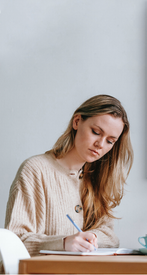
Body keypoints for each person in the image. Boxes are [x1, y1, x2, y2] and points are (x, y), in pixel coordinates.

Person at [5, 95, 134, 256]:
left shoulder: (98, 177)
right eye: (96, 132)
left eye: (110, 141)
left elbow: (110, 236)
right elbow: (14, 241)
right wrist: (64, 242)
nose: (100, 145)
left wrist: (92, 237)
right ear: (77, 121)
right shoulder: (35, 170)